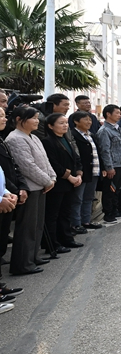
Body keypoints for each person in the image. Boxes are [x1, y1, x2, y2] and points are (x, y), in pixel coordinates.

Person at [5, 106, 55, 275]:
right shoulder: (15, 139)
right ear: (19, 119)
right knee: (27, 227)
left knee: (37, 225)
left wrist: (52, 178)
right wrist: (47, 180)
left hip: (41, 186)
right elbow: (27, 166)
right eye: (33, 118)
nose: (37, 121)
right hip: (30, 187)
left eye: (37, 117)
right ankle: (23, 263)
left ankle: (33, 257)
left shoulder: (33, 137)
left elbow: (45, 161)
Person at [40, 113, 84, 254]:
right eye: (61, 123)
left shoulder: (66, 139)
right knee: (53, 215)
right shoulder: (47, 141)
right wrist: (69, 176)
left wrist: (78, 174)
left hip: (70, 183)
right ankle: (53, 244)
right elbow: (52, 163)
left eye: (66, 123)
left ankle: (66, 239)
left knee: (65, 212)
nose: (65, 125)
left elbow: (76, 159)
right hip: (57, 183)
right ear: (50, 126)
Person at [0, 107, 29, 265]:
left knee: (3, 232)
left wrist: (8, 192)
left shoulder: (2, 140)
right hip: (4, 197)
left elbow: (11, 167)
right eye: (1, 116)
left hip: (7, 195)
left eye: (4, 115)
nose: (5, 119)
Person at [69, 111, 103, 232]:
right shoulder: (73, 135)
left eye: (90, 120)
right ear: (76, 121)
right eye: (85, 119)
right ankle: (76, 223)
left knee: (89, 197)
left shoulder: (91, 135)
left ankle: (86, 220)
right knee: (77, 199)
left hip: (94, 170)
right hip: (82, 172)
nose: (89, 122)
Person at [96, 105, 121, 222]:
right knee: (110, 190)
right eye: (117, 113)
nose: (120, 115)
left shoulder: (117, 128)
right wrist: (109, 167)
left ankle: (115, 210)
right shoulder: (104, 130)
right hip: (113, 165)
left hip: (120, 164)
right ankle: (108, 213)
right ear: (108, 114)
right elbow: (105, 150)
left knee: (117, 189)